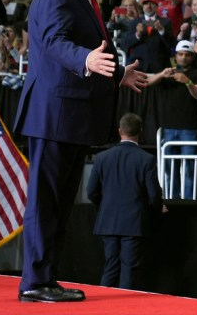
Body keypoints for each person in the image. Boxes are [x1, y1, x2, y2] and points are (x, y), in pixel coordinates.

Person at [14, 0, 148, 303]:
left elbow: (88, 47)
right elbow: (55, 42)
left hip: (69, 117)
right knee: (45, 202)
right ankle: (34, 282)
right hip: (53, 115)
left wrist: (118, 73)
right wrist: (85, 59)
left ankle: (46, 279)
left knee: (58, 204)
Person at [86, 113, 163, 290]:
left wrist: (103, 206)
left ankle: (102, 306)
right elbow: (154, 194)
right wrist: (157, 210)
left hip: (108, 220)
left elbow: (91, 192)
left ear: (120, 131)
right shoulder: (147, 159)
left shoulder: (102, 157)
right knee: (129, 268)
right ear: (140, 132)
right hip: (134, 222)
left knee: (111, 264)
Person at [146, 40, 197, 200]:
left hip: (189, 128)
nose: (183, 58)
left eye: (187, 55)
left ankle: (188, 202)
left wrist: (187, 81)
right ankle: (171, 200)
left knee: (189, 170)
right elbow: (148, 83)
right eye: (180, 54)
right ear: (175, 56)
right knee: (169, 170)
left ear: (192, 57)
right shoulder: (167, 72)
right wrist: (161, 74)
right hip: (168, 127)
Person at [122, 0, 175, 73]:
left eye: (152, 4)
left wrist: (161, 30)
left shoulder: (165, 22)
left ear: (157, 6)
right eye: (146, 4)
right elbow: (125, 44)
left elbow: (171, 43)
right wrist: (137, 34)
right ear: (142, 6)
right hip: (138, 67)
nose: (149, 6)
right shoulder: (134, 22)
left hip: (159, 67)